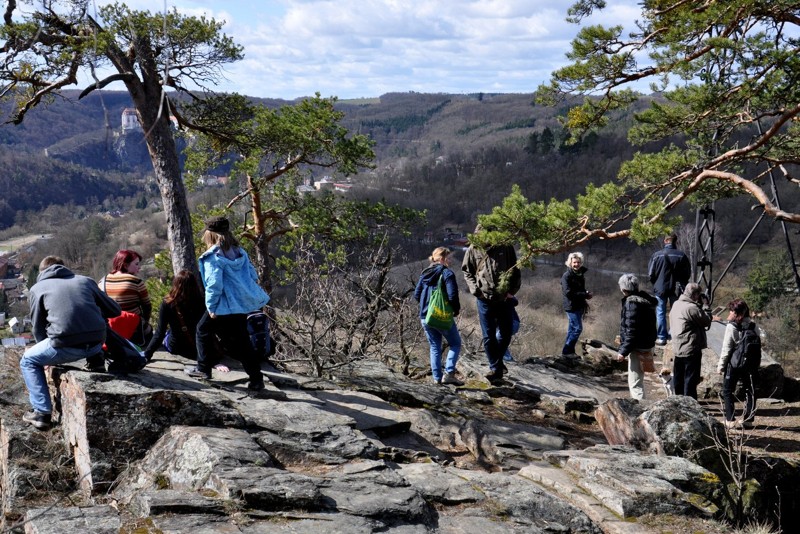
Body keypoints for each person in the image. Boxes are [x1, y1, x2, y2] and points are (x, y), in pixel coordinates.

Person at [21, 256, 121, 430]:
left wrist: (45, 356)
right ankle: (96, 360)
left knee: (27, 361)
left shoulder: (37, 289)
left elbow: (38, 327)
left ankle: (41, 412)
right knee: (93, 324)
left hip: (65, 345)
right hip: (97, 343)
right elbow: (115, 310)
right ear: (63, 267)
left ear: (42, 272)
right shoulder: (85, 281)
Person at [186, 216, 270, 392]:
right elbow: (252, 276)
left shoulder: (212, 257)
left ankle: (203, 369)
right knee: (242, 341)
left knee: (202, 330)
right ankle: (256, 379)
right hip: (240, 304)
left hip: (222, 305)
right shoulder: (240, 252)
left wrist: (211, 307)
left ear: (210, 234)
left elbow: (213, 284)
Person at [462, 226, 521, 383]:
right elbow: (467, 271)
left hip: (504, 299)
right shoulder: (473, 249)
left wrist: (512, 291)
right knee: (488, 336)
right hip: (484, 300)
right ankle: (495, 368)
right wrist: (477, 291)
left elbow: (516, 268)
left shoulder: (505, 246)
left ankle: (497, 363)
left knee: (506, 333)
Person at [414, 247, 463, 385]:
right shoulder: (447, 273)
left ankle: (436, 378)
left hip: (425, 316)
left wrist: (426, 306)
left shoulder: (425, 273)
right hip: (441, 315)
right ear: (442, 259)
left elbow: (416, 295)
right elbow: (452, 295)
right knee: (455, 343)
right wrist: (455, 310)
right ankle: (449, 373)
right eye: (448, 257)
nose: (450, 260)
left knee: (435, 347)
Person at [144, 270, 204, 361]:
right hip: (197, 347)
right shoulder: (201, 301)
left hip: (177, 347)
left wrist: (147, 354)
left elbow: (159, 333)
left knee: (167, 333)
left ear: (175, 284)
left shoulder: (168, 303)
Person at [614, 274, 658, 400]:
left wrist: (623, 351)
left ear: (623, 289)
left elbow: (632, 331)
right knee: (639, 380)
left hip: (638, 346)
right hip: (647, 343)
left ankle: (641, 412)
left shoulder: (631, 304)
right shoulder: (646, 300)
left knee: (635, 383)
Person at [716, 299, 758, 429]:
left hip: (733, 364)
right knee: (749, 391)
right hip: (750, 364)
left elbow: (727, 348)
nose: (730, 312)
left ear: (736, 312)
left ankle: (730, 420)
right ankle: (748, 420)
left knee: (727, 391)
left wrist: (721, 365)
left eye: (732, 310)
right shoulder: (753, 326)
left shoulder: (732, 326)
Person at [669, 282, 712, 399]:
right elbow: (706, 321)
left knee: (679, 378)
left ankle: (678, 401)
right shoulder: (692, 308)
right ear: (695, 295)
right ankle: (690, 404)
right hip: (690, 347)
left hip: (678, 347)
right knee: (690, 380)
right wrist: (706, 306)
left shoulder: (676, 304)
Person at [100, 249, 152, 346]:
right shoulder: (136, 282)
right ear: (125, 265)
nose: (139, 267)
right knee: (150, 331)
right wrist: (145, 322)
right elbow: (147, 306)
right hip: (134, 330)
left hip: (110, 330)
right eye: (136, 264)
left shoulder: (102, 281)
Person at [648, 234, 691, 346]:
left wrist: (656, 284)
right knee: (675, 312)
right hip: (676, 289)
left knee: (660, 312)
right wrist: (682, 283)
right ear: (675, 242)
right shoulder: (682, 256)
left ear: (665, 241)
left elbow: (651, 274)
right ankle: (673, 336)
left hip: (660, 288)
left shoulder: (656, 256)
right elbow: (687, 274)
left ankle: (662, 337)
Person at [560, 252, 592, 357]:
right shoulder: (567, 276)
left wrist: (586, 293)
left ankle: (568, 352)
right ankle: (567, 350)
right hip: (570, 305)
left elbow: (579, 289)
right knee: (578, 328)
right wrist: (583, 294)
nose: (576, 264)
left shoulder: (580, 274)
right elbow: (568, 292)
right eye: (574, 262)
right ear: (570, 263)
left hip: (578, 305)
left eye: (578, 262)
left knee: (572, 329)